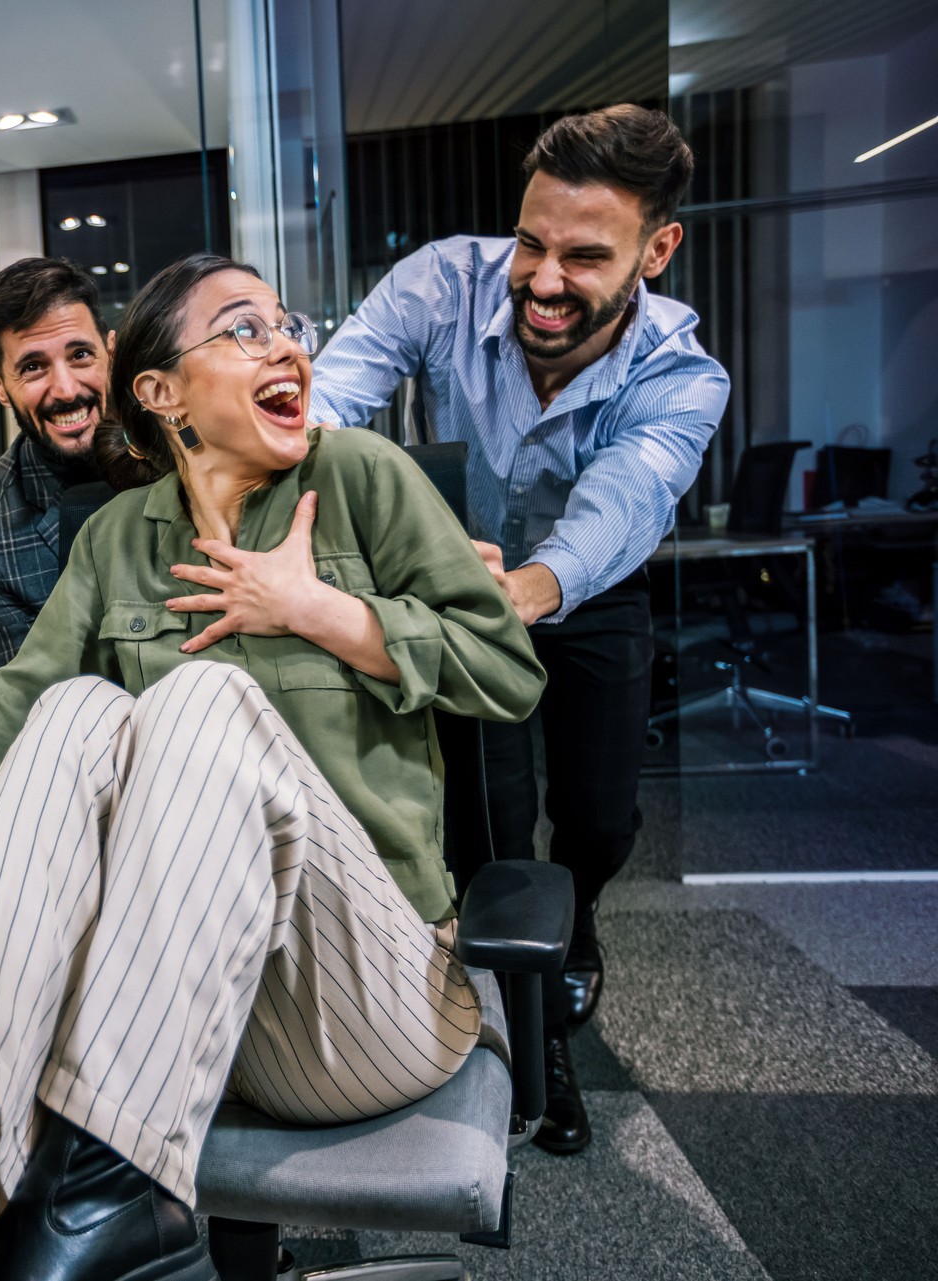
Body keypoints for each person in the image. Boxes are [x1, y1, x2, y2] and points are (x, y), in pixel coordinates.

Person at [0, 254, 546, 1281]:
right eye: (244, 329)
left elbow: (508, 669)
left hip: (361, 996)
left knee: (195, 696)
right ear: (160, 392)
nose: (283, 347)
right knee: (72, 705)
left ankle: (111, 1190)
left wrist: (320, 610)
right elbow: (17, 708)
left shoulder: (360, 476)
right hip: (182, 1011)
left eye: (286, 326)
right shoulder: (111, 540)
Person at [305, 104, 729, 1155]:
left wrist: (532, 588)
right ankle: (534, 1039)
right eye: (532, 243)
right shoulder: (443, 282)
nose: (541, 280)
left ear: (657, 251)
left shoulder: (682, 375)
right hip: (453, 589)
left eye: (584, 257)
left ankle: (576, 924)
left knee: (599, 819)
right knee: (489, 828)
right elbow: (334, 392)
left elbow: (623, 503)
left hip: (586, 589)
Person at [0, 256, 113, 666]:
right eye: (33, 367)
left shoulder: (182, 452)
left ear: (110, 353)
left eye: (80, 355)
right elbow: (33, 691)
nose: (66, 390)